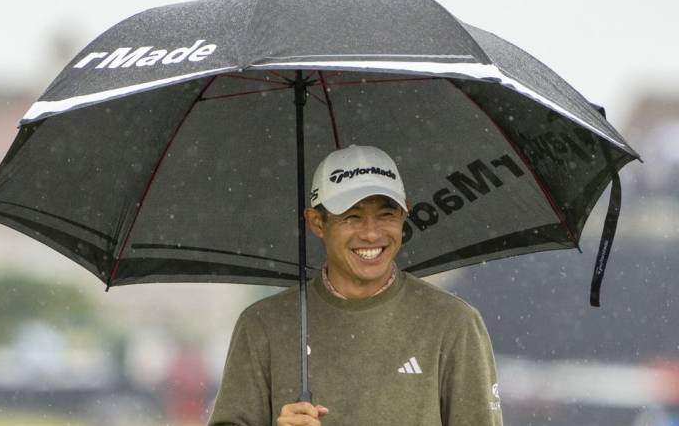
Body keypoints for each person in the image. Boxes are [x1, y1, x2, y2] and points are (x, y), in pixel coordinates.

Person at [208, 145, 502, 426]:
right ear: (316, 222)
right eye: (352, 216)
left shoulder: (454, 323)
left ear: (405, 214)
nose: (372, 234)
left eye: (387, 214)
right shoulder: (262, 325)